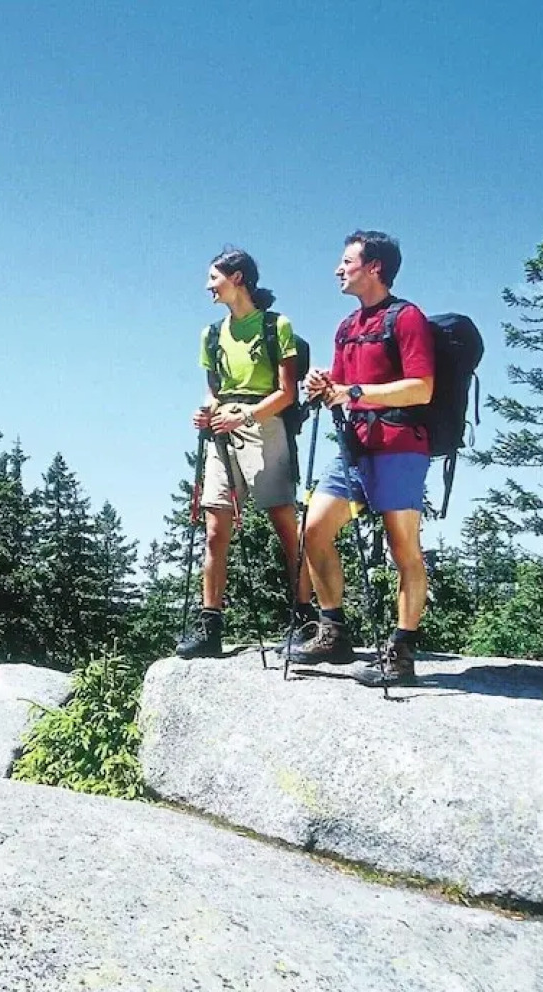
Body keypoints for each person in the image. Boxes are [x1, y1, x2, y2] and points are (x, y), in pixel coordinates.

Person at [286, 230, 434, 685]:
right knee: (313, 529)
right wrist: (324, 384)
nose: (338, 269)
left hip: (399, 446)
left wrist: (352, 391)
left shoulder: (407, 318)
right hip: (355, 445)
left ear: (374, 267)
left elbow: (421, 387)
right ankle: (334, 631)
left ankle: (402, 651)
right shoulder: (347, 328)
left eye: (346, 261)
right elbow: (343, 385)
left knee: (402, 546)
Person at [179, 248, 314, 658]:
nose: (208, 286)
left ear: (237, 278)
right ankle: (210, 625)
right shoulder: (211, 333)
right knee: (215, 529)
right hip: (222, 429)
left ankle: (305, 619)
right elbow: (213, 390)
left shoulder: (277, 326)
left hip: (264, 424)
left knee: (283, 523)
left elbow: (287, 392)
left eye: (214, 277)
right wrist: (207, 410)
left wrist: (246, 416)